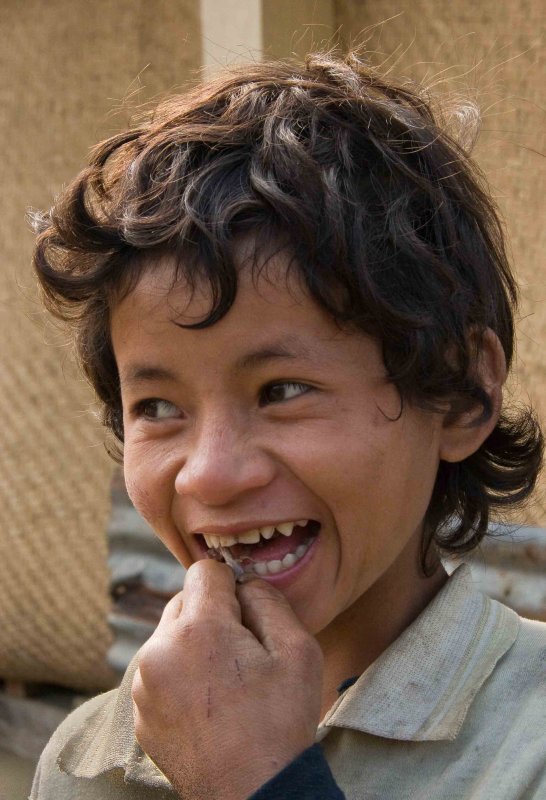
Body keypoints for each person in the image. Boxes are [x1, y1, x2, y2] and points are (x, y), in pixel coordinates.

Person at [30, 52, 545, 799]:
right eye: (159, 408)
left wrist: (258, 780)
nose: (207, 473)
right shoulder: (87, 764)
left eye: (283, 390)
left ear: (462, 394)